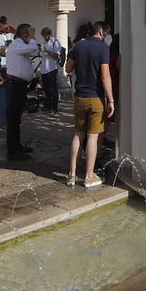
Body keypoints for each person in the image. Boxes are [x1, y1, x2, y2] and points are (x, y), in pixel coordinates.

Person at [65, 21, 114, 188]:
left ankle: (71, 175)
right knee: (93, 137)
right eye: (105, 34)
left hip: (79, 96)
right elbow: (105, 76)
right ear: (100, 32)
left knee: (78, 134)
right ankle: (88, 175)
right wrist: (111, 100)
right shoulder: (102, 48)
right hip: (96, 97)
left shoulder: (78, 45)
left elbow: (68, 69)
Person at [3, 23, 40, 160]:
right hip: (15, 85)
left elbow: (34, 51)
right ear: (24, 34)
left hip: (20, 85)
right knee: (13, 118)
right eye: (29, 34)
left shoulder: (21, 46)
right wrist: (31, 37)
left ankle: (17, 145)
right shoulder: (17, 44)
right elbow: (33, 47)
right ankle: (12, 151)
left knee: (16, 118)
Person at [38, 27, 63, 114]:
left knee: (53, 89)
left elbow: (57, 56)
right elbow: (42, 55)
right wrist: (40, 50)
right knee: (46, 89)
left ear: (49, 34)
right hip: (44, 69)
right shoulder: (44, 43)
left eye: (45, 36)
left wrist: (47, 51)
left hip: (52, 69)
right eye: (43, 36)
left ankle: (54, 107)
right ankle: (47, 105)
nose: (44, 38)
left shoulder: (55, 42)